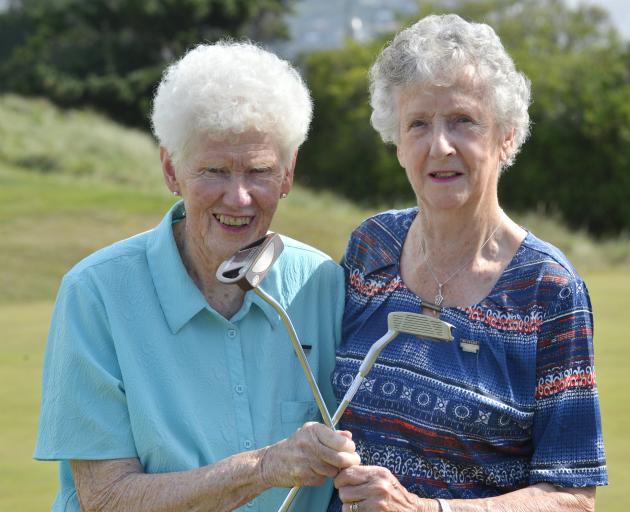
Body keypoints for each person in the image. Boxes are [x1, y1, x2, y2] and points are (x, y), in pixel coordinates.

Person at [34, 41, 360, 512]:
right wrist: (266, 467)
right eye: (215, 171)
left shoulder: (324, 284)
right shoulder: (96, 293)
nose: (239, 197)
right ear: (172, 169)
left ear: (288, 175)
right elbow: (106, 499)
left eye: (259, 171)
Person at [329, 14, 607, 512]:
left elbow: (572, 496)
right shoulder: (371, 246)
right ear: (397, 143)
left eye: (462, 120)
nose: (440, 145)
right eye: (418, 124)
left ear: (506, 137)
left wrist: (428, 511)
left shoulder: (549, 291)